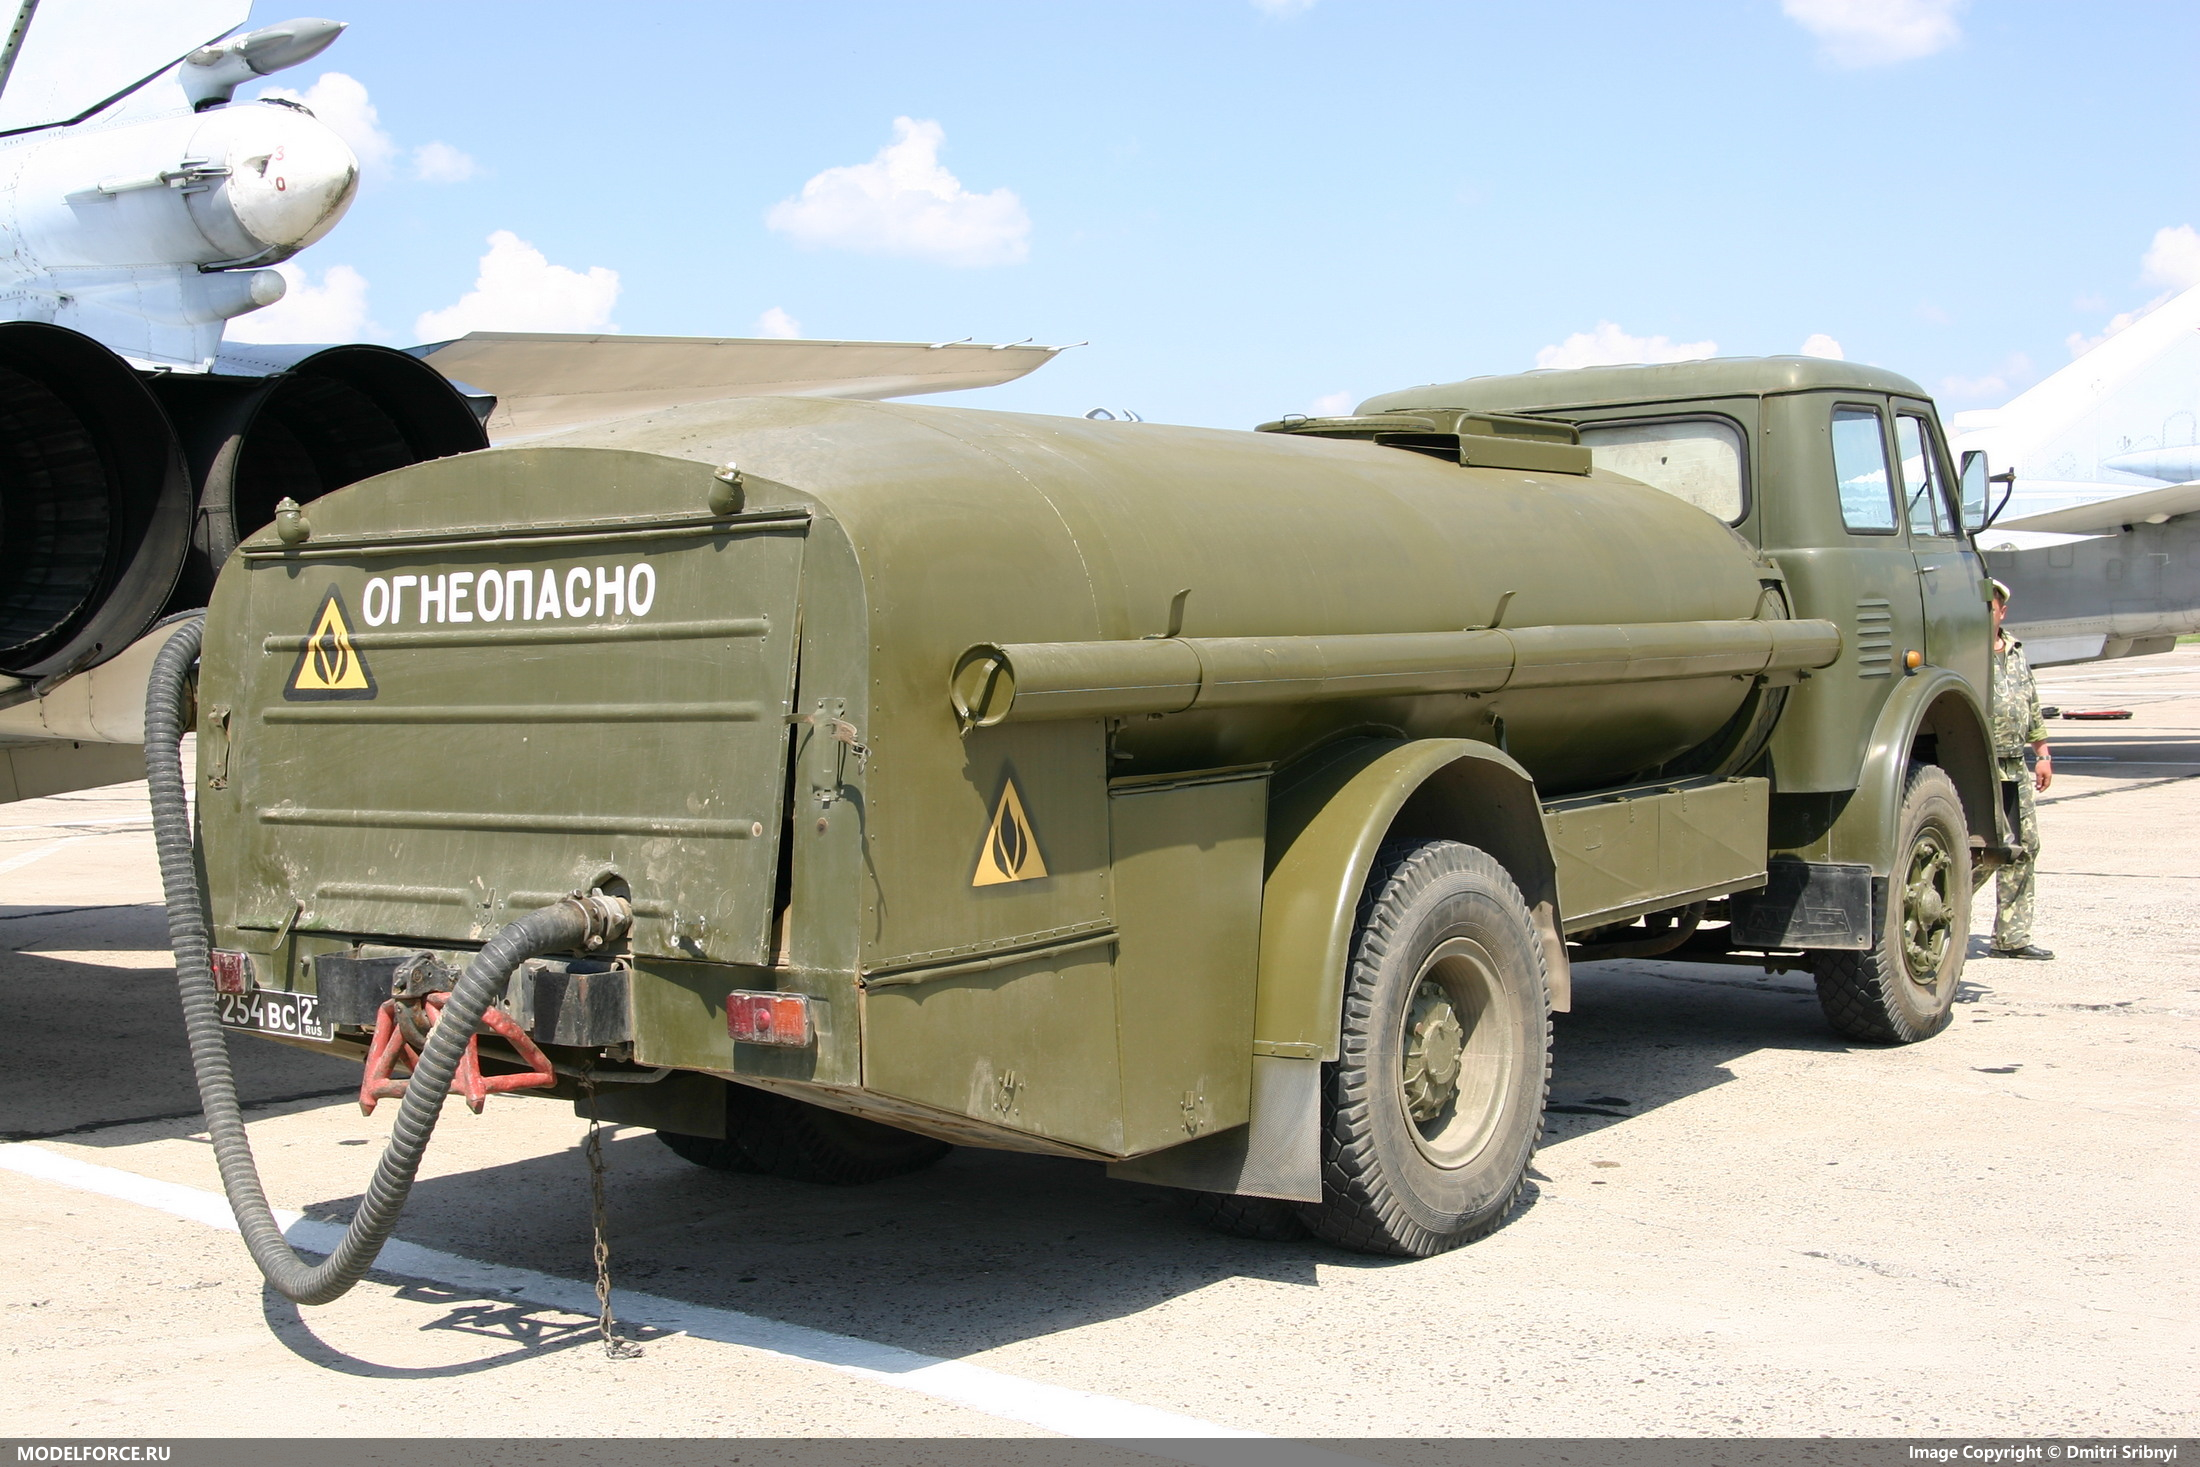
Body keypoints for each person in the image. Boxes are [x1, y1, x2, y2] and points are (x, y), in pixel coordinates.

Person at [1989, 579, 2053, 959]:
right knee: (1978, 852)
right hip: (1980, 764)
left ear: (2003, 612)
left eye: (1993, 607)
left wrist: (2042, 753)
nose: (1988, 613)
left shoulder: (2015, 650)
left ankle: (2011, 938)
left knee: (2025, 847)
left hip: (2015, 763)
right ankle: (1945, 922)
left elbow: (2031, 701)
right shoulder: (1964, 651)